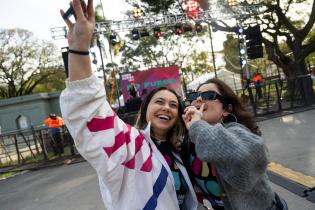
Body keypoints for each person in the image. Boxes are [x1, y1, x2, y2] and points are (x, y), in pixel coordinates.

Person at [59, 1, 198, 209]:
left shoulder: (181, 152)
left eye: (173, 105)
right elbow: (91, 113)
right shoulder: (130, 145)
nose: (166, 108)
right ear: (145, 109)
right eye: (159, 102)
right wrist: (79, 48)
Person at [182, 78, 288, 210]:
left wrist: (197, 126)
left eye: (209, 95)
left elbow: (243, 159)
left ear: (226, 109)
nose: (198, 99)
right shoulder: (189, 140)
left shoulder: (236, 131)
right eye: (194, 96)